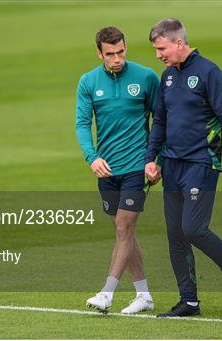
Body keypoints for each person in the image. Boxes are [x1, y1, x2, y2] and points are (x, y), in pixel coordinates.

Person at [145, 18, 222, 318]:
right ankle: (189, 301)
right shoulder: (167, 77)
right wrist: (150, 159)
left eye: (161, 48)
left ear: (179, 43)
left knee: (193, 228)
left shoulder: (208, 72)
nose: (158, 55)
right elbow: (161, 122)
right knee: (175, 235)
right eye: (155, 49)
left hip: (202, 162)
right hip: (172, 164)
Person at [76, 26, 160, 314]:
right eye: (110, 54)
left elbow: (162, 120)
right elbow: (82, 124)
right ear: (99, 53)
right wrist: (92, 157)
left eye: (121, 52)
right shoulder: (88, 82)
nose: (117, 59)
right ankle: (144, 296)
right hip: (107, 170)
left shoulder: (147, 77)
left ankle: (106, 293)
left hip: (138, 166)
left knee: (125, 226)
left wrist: (155, 159)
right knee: (125, 232)